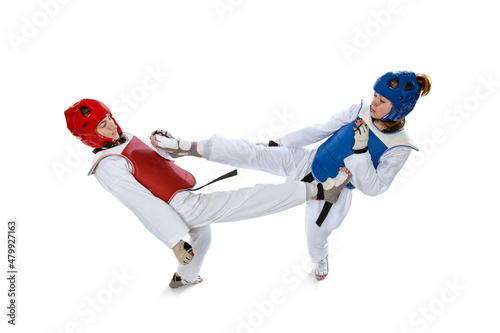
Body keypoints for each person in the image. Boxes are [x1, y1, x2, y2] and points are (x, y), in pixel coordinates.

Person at [150, 71, 432, 281]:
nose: (374, 102)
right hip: (307, 161)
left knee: (315, 237)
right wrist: (281, 142)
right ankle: (189, 147)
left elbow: (375, 188)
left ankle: (321, 260)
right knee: (254, 152)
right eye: (375, 95)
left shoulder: (400, 147)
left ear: (401, 107)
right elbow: (322, 129)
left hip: (332, 192)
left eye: (382, 101)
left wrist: (360, 151)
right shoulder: (359, 110)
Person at [64, 99, 351, 288]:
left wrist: (163, 143)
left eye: (110, 118)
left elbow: (155, 163)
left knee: (203, 235)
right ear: (89, 135)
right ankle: (318, 191)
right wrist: (175, 240)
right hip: (180, 206)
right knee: (247, 199)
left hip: (183, 194)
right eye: (103, 124)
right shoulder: (107, 167)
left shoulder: (125, 139)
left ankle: (185, 276)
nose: (112, 125)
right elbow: (142, 204)